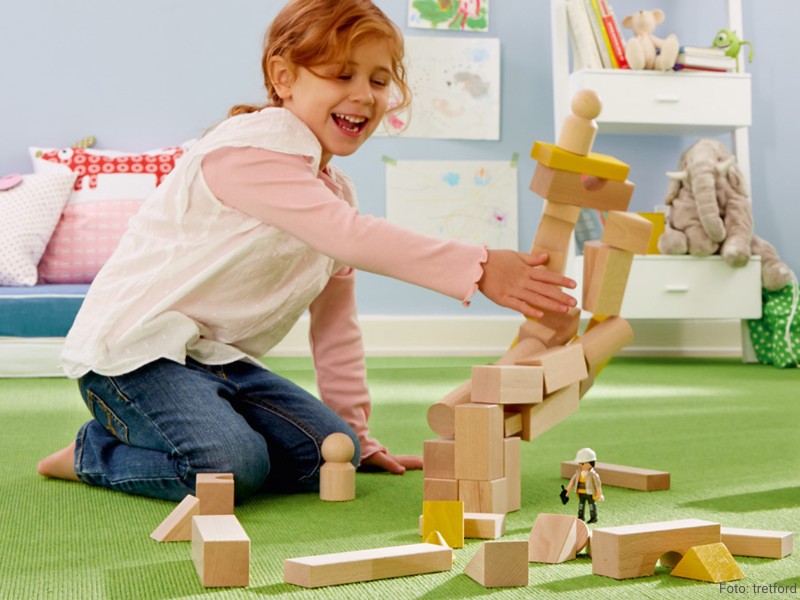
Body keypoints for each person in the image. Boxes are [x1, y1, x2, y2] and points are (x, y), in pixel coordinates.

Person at [37, 0, 577, 503]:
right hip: (134, 357)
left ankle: (200, 425)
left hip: (215, 362)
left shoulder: (332, 192)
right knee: (229, 468)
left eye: (379, 80)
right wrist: (478, 267)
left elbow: (336, 326)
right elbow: (351, 236)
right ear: (283, 77)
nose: (364, 94)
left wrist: (358, 437)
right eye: (342, 75)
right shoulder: (251, 150)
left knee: (326, 455)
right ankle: (93, 452)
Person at [563, 448, 604, 523]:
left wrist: (600, 494)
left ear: (590, 463)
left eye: (582, 463)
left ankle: (593, 517)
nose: (580, 465)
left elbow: (598, 485)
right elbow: (572, 482)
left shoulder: (593, 474)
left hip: (590, 493)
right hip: (580, 493)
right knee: (581, 505)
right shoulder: (578, 473)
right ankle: (581, 517)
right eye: (579, 463)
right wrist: (566, 491)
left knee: (591, 505)